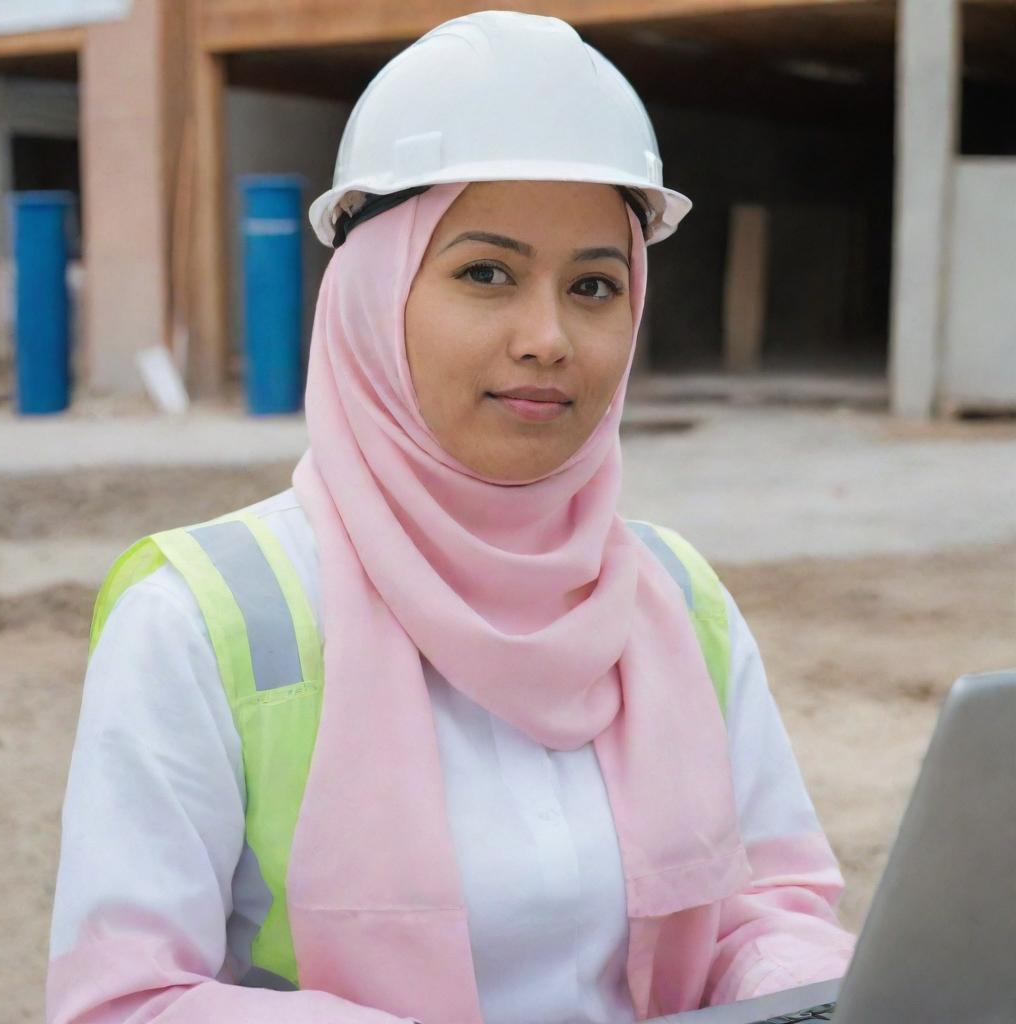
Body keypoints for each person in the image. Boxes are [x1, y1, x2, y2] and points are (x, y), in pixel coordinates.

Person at [46, 11, 855, 1024]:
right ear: (373, 298)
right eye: (486, 273)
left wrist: (796, 989)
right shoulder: (204, 620)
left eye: (595, 286)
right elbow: (124, 1000)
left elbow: (762, 911)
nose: (549, 338)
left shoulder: (671, 596)